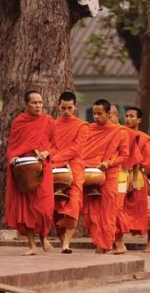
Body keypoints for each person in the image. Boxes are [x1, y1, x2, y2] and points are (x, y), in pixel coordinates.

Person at [5, 90, 58, 255]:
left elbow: (56, 146)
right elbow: (12, 147)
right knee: (26, 208)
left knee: (45, 207)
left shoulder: (48, 121)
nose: (38, 105)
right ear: (26, 105)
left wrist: (47, 153)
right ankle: (32, 245)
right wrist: (12, 158)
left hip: (42, 168)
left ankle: (43, 236)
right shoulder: (19, 122)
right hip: (24, 170)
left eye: (40, 102)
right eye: (34, 102)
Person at [82, 99, 129, 254]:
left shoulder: (120, 132)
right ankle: (99, 242)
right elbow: (82, 150)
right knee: (91, 211)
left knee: (108, 210)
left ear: (108, 114)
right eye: (94, 113)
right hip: (89, 173)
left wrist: (108, 163)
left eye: (99, 114)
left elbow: (124, 156)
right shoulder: (88, 129)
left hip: (109, 174)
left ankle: (105, 244)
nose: (95, 116)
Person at [52, 92, 89, 254]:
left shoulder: (82, 126)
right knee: (56, 209)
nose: (66, 111)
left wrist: (55, 159)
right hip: (55, 170)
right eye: (63, 108)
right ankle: (62, 243)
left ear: (75, 107)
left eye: (69, 108)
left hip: (74, 169)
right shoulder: (53, 125)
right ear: (58, 106)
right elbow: (49, 145)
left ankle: (67, 243)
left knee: (73, 205)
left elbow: (77, 149)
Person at [110, 105, 141, 254]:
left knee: (117, 210)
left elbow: (135, 158)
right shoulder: (98, 131)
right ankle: (107, 242)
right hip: (103, 176)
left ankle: (120, 241)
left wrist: (134, 179)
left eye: (110, 116)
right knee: (104, 211)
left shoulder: (125, 133)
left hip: (121, 176)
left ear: (116, 116)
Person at [124, 107, 150, 253]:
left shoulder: (144, 138)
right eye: (126, 116)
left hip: (138, 177)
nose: (128, 119)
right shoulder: (122, 134)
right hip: (122, 174)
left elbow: (149, 162)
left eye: (131, 116)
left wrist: (138, 178)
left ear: (139, 120)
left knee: (144, 210)